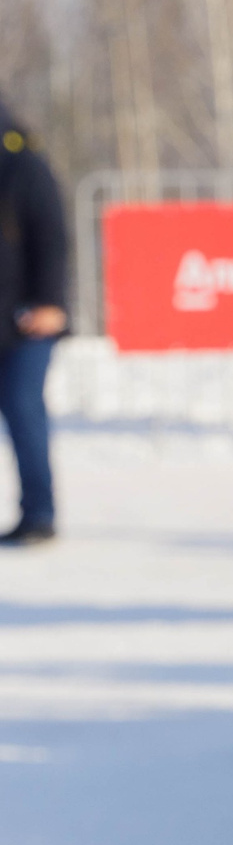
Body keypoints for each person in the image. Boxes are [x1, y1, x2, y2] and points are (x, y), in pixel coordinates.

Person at [0, 93, 68, 549]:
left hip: (27, 321)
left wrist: (49, 301)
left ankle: (39, 515)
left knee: (23, 410)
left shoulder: (24, 165)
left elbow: (52, 237)